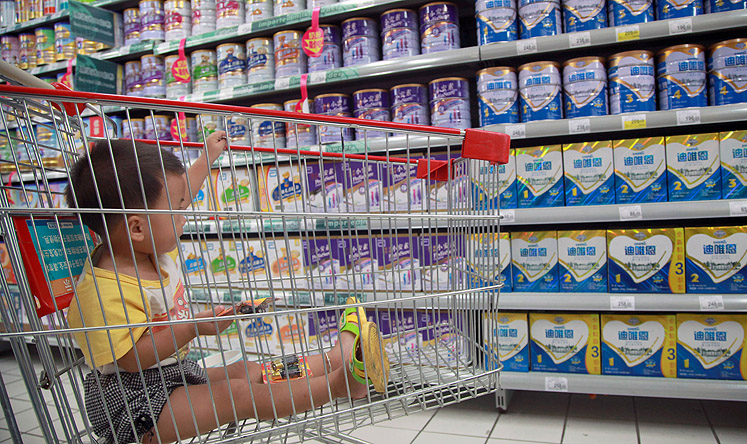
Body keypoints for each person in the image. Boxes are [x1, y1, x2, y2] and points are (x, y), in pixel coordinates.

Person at [65, 131, 389, 444]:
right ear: (137, 226)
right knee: (235, 395)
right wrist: (191, 327)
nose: (185, 214)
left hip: (172, 374)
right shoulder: (103, 292)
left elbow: (181, 191)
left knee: (246, 369)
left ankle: (333, 360)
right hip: (132, 403)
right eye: (177, 211)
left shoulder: (150, 246)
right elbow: (131, 360)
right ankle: (340, 384)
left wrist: (207, 157)